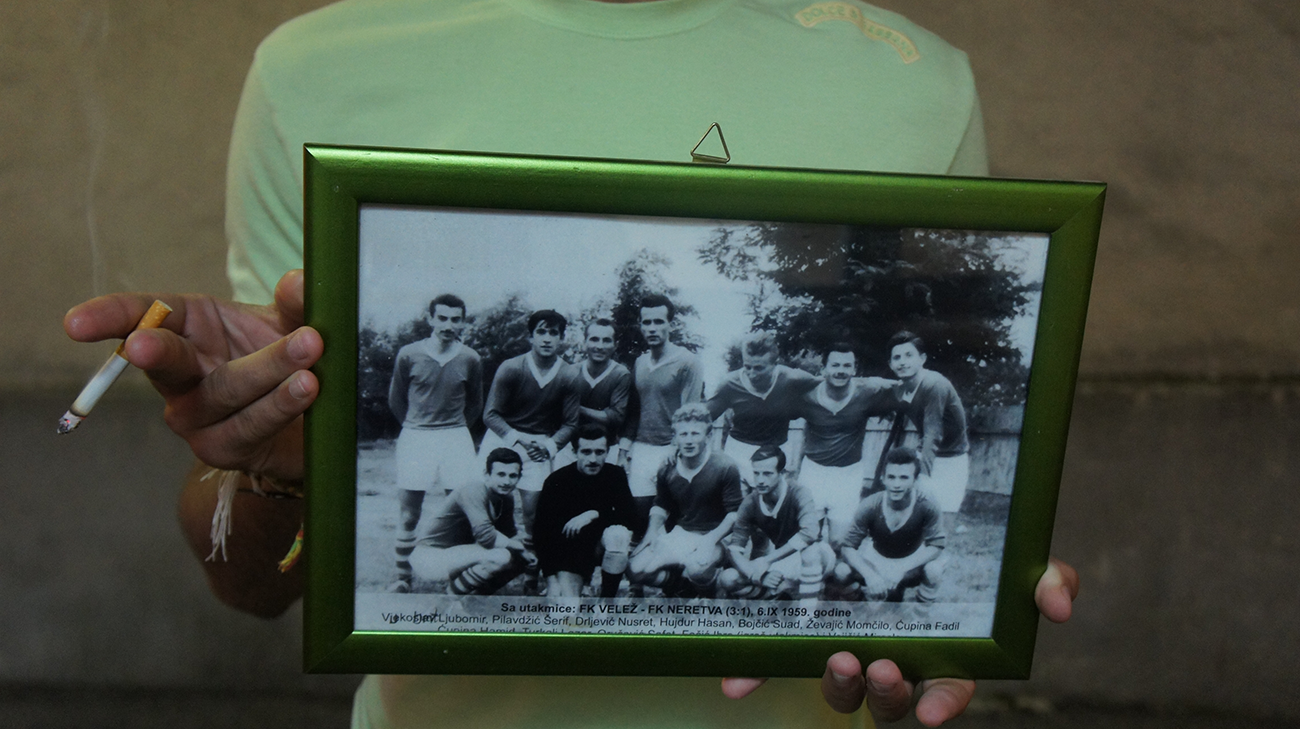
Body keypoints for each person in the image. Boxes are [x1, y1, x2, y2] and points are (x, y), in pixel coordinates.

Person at [63, 0, 1081, 724]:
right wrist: (271, 465)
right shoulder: (317, 67)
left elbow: (896, 491)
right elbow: (253, 586)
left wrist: (956, 624)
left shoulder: (912, 82)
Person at [386, 293, 483, 593]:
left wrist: (452, 430)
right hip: (417, 436)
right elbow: (396, 400)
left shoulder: (470, 358)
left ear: (463, 322)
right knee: (409, 513)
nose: (448, 325)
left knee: (461, 511)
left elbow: (475, 405)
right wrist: (418, 426)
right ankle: (403, 579)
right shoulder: (409, 354)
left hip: (455, 437)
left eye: (455, 319)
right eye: (442, 318)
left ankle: (456, 582)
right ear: (430, 319)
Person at [481, 309, 582, 556]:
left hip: (539, 447)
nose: (547, 338)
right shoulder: (512, 367)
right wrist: (518, 439)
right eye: (541, 332)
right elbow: (490, 414)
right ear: (531, 337)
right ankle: (480, 560)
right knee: (484, 502)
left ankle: (531, 572)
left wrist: (548, 447)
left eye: (553, 333)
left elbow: (571, 423)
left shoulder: (569, 374)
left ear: (561, 338)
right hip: (503, 439)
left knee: (533, 511)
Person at [628, 403, 743, 597]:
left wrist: (710, 539)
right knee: (635, 569)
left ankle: (712, 591)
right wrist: (652, 533)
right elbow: (661, 504)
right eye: (683, 434)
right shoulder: (667, 466)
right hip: (683, 533)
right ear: (675, 438)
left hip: (717, 536)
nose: (689, 440)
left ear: (708, 437)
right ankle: (682, 587)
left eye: (695, 434)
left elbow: (734, 514)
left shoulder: (725, 466)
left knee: (698, 567)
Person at [788, 344, 897, 544]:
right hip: (814, 473)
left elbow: (903, 386)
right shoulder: (807, 394)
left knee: (839, 542)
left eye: (847, 366)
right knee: (809, 537)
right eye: (835, 365)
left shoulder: (867, 391)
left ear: (854, 370)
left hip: (849, 475)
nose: (840, 371)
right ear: (824, 369)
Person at [619, 295, 705, 538]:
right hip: (642, 448)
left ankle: (670, 574)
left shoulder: (687, 362)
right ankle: (638, 573)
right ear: (641, 325)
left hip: (672, 449)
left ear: (671, 325)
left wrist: (676, 448)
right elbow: (634, 410)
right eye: (647, 322)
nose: (652, 328)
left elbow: (691, 414)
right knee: (638, 515)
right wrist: (625, 451)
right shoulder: (640, 362)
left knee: (671, 519)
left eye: (659, 321)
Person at [406, 448, 532, 595]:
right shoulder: (473, 489)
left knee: (520, 558)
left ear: (519, 477)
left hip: (458, 554)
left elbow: (508, 535)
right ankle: (451, 600)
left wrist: (527, 551)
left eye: (512, 476)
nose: (506, 481)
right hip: (430, 556)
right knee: (501, 556)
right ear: (487, 474)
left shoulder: (506, 498)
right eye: (501, 474)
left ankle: (474, 600)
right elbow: (486, 537)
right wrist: (520, 547)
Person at [719, 445, 834, 600]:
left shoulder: (798, 492)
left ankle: (806, 618)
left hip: (818, 556)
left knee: (810, 553)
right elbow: (735, 549)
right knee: (728, 578)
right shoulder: (750, 502)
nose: (760, 480)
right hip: (782, 558)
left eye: (767, 474)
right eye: (756, 473)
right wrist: (757, 575)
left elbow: (810, 533)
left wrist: (767, 560)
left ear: (782, 473)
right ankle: (779, 598)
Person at [706, 331, 820, 488]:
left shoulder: (792, 379)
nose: (752, 374)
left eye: (759, 368)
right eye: (747, 367)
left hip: (778, 452)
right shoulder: (730, 383)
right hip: (740, 451)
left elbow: (829, 388)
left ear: (775, 364)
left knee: (775, 508)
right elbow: (701, 419)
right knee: (738, 507)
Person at [533, 425, 636, 598]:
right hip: (571, 554)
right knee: (566, 615)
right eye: (586, 452)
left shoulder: (615, 475)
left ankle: (606, 601)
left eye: (599, 452)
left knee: (618, 535)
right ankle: (575, 586)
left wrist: (594, 514)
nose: (593, 459)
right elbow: (541, 533)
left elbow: (632, 518)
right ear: (574, 452)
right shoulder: (557, 480)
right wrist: (550, 577)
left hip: (601, 547)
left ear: (607, 452)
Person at [831, 447, 945, 602]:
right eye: (891, 477)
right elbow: (847, 547)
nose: (896, 484)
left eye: (904, 478)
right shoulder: (870, 505)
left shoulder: (927, 504)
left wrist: (904, 568)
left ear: (915, 480)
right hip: (877, 560)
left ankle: (919, 619)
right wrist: (869, 575)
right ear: (883, 478)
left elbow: (937, 545)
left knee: (934, 570)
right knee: (841, 571)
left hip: (911, 563)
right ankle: (860, 605)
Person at [883, 331, 970, 514]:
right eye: (897, 358)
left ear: (922, 359)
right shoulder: (902, 388)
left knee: (942, 518)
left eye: (909, 355)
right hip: (926, 454)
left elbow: (933, 432)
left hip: (952, 460)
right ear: (891, 364)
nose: (903, 362)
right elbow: (872, 386)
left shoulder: (934, 384)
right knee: (912, 518)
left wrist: (922, 476)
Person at [554, 318, 631, 469]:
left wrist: (577, 408)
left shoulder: (621, 374)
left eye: (606, 340)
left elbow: (615, 417)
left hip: (606, 448)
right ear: (585, 343)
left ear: (615, 345)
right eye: (594, 339)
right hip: (571, 447)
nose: (599, 346)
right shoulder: (571, 372)